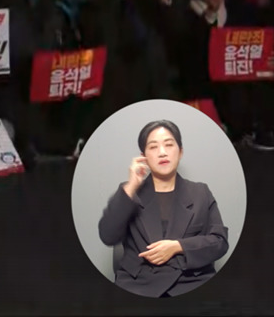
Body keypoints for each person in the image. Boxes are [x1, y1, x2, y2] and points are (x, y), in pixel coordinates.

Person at [97, 120, 229, 298]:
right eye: (153, 147)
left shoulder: (200, 192)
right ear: (143, 156)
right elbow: (108, 235)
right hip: (138, 284)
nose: (162, 152)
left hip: (191, 281)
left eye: (169, 145)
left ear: (180, 151)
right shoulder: (129, 191)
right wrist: (131, 186)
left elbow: (220, 242)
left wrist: (178, 246)